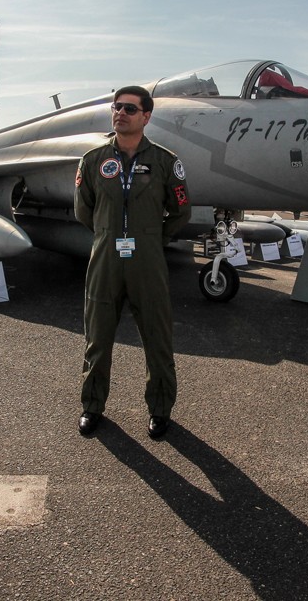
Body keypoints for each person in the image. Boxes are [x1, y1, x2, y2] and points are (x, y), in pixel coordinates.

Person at [74, 86, 192, 439]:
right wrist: (109, 233)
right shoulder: (93, 160)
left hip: (148, 261)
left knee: (157, 339)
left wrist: (152, 238)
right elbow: (84, 209)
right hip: (105, 258)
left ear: (146, 117)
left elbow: (181, 211)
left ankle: (159, 410)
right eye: (116, 107)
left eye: (129, 108)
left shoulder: (165, 162)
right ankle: (92, 406)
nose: (120, 113)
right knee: (97, 339)